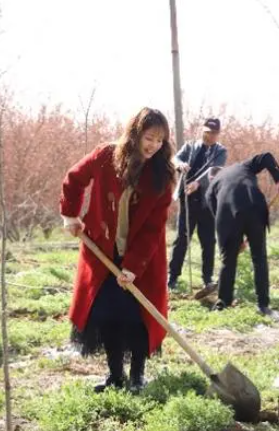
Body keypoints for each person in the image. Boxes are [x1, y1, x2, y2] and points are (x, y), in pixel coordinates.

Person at [60, 107, 175, 393]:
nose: (154, 146)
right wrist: (71, 215)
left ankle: (137, 376)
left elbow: (153, 229)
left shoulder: (162, 174)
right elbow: (74, 179)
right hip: (103, 253)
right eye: (149, 138)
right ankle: (115, 376)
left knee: (137, 317)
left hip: (142, 259)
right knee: (108, 314)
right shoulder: (105, 157)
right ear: (135, 133)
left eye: (160, 140)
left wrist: (133, 267)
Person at [205, 152, 279, 316]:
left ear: (211, 179)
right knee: (259, 258)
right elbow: (266, 157)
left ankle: (223, 302)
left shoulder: (211, 189)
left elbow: (219, 216)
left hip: (228, 216)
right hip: (256, 207)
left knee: (228, 259)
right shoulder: (242, 166)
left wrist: (233, 243)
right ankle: (263, 305)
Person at [168, 117, 227, 291]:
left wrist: (197, 184)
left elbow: (214, 171)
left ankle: (208, 279)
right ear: (203, 131)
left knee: (208, 241)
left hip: (207, 202)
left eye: (214, 133)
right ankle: (172, 277)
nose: (211, 136)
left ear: (218, 134)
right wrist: (181, 164)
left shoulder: (220, 151)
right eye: (208, 132)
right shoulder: (190, 146)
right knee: (181, 240)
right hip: (187, 200)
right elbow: (175, 158)